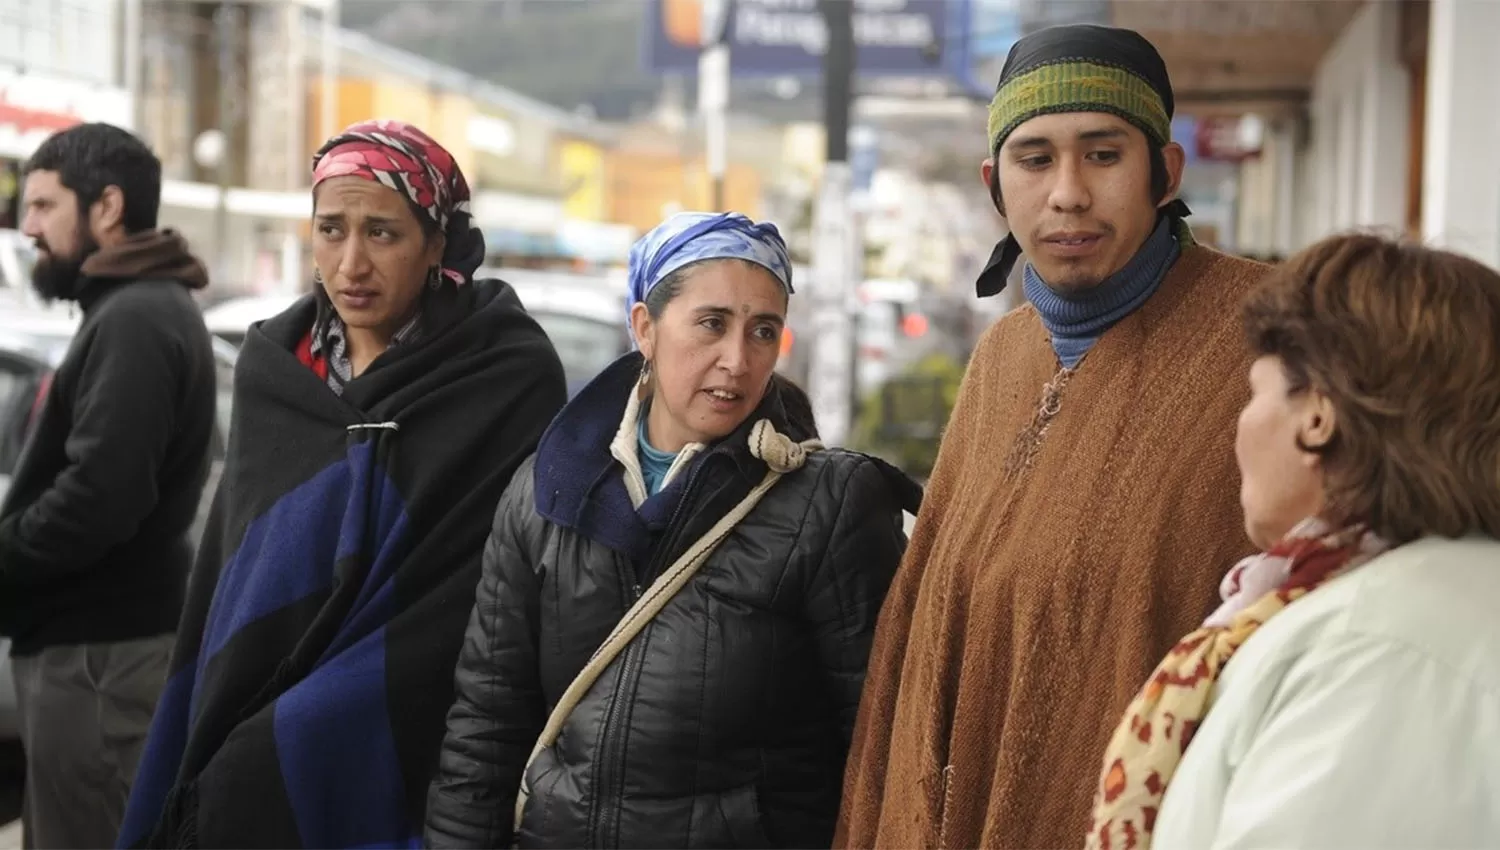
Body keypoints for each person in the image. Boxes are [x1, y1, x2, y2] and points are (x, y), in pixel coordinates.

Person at [836, 24, 1272, 849]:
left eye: (1103, 155)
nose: (1067, 193)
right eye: (1034, 159)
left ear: (1164, 173)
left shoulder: (1265, 342)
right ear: (995, 184)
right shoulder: (1002, 357)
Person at [117, 119, 568, 849]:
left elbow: (486, 593)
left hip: (410, 729)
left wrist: (308, 718)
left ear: (437, 244)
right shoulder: (274, 369)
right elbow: (236, 577)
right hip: (240, 720)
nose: (351, 262)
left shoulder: (507, 377)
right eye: (331, 230)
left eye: (382, 233)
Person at [424, 211, 922, 849]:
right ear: (645, 329)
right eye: (711, 323)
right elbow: (486, 725)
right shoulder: (547, 491)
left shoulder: (828, 503)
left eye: (763, 331)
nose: (737, 360)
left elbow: (882, 745)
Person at [1089, 234, 1500, 849]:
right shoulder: (1385, 607)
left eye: (1255, 393)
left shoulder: (1374, 644)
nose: (1239, 427)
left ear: (1318, 416)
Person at [0, 123, 215, 849]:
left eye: (43, 206)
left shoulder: (139, 316)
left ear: (108, 206)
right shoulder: (132, 308)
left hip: (98, 661)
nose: (26, 225)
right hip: (94, 652)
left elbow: (100, 496)